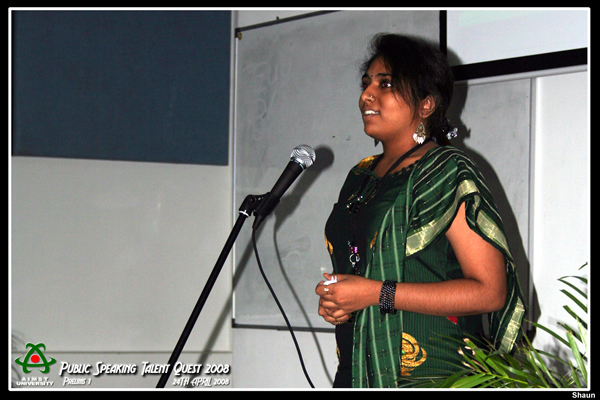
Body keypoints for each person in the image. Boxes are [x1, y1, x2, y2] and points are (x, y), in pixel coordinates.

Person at [315, 33, 526, 388]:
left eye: (385, 84)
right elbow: (357, 267)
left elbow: (489, 291)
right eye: (366, 83)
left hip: (435, 376)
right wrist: (340, 303)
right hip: (357, 371)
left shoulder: (446, 172)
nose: (366, 95)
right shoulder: (360, 176)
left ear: (426, 104)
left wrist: (376, 293)